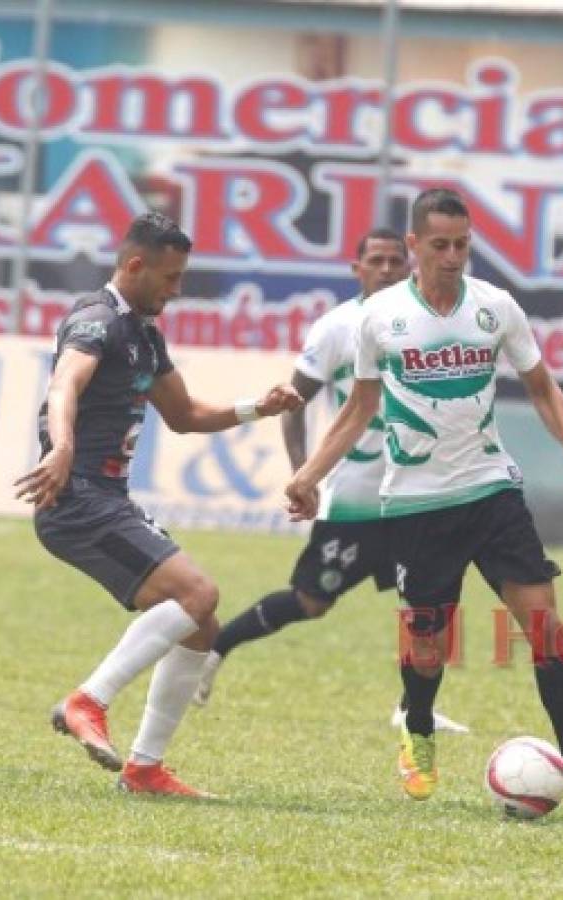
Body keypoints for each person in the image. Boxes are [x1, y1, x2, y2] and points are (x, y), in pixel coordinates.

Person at [285, 188, 563, 822]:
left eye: (462, 245)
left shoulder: (495, 309)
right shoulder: (379, 318)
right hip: (417, 504)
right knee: (428, 649)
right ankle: (418, 731)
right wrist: (308, 475)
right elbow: (358, 408)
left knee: (548, 633)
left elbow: (542, 386)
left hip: (492, 491)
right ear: (413, 246)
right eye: (439, 245)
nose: (452, 256)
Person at [15, 212, 301, 797]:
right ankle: (86, 700)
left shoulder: (144, 332)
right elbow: (64, 385)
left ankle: (145, 769)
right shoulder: (98, 321)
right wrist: (62, 446)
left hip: (107, 498)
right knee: (199, 594)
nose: (176, 290)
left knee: (201, 626)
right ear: (135, 265)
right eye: (169, 278)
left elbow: (186, 415)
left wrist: (259, 408)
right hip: (78, 499)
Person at [191, 228, 468, 734]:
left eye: (394, 261)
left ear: (409, 266)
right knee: (310, 602)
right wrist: (304, 472)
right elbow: (292, 404)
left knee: (429, 604)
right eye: (376, 261)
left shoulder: (430, 322)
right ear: (356, 269)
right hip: (357, 497)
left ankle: (413, 710)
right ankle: (217, 646)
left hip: (419, 494)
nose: (386, 269)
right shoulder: (337, 328)